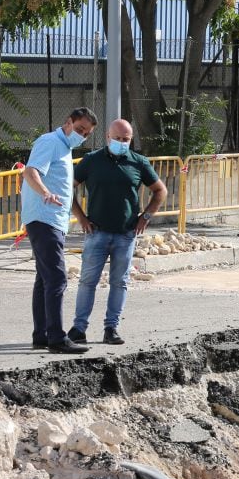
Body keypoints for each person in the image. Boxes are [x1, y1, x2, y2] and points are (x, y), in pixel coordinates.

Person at [69, 119, 167, 346]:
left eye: (126, 139)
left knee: (119, 282)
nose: (122, 143)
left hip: (125, 234)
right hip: (97, 232)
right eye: (118, 139)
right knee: (87, 281)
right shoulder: (91, 161)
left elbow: (159, 190)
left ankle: (111, 328)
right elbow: (68, 187)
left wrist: (146, 216)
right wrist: (81, 217)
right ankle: (79, 328)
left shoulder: (138, 162)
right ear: (107, 137)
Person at [21, 107, 99, 354]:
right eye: (79, 129)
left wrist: (79, 217)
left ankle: (42, 334)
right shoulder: (50, 142)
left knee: (44, 280)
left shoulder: (64, 148)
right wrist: (45, 193)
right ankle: (56, 338)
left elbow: (66, 190)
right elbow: (31, 171)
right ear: (68, 122)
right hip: (44, 219)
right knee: (56, 278)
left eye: (86, 134)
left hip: (52, 220)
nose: (81, 135)